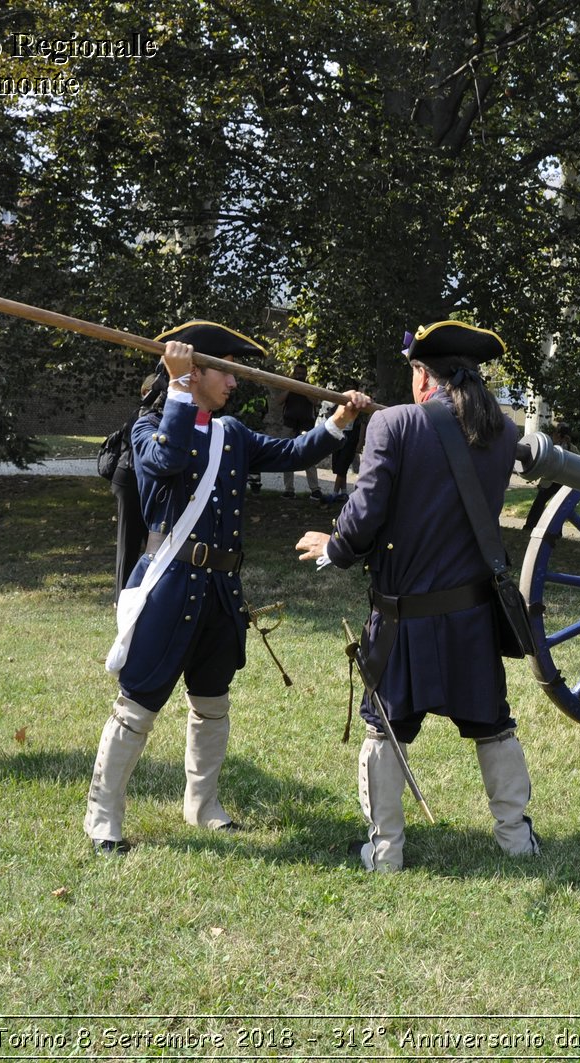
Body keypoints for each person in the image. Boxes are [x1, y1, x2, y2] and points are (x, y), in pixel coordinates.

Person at [84, 322, 370, 853]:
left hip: (220, 590)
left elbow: (293, 454)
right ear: (194, 372)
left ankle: (202, 803)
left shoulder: (231, 433)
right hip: (169, 587)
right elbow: (166, 460)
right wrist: (175, 387)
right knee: (138, 705)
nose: (235, 383)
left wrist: (339, 420)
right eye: (226, 371)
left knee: (212, 702)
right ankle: (103, 816)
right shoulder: (148, 430)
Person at [295, 321, 539, 873]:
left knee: (385, 729)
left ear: (422, 373)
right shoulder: (501, 430)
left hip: (403, 617)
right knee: (492, 725)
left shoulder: (393, 424)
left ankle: (385, 852)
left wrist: (334, 545)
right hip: (473, 616)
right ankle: (516, 841)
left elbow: (364, 515)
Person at [111, 375, 159, 595]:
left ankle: (148, 591)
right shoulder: (142, 415)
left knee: (154, 541)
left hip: (144, 481)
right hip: (129, 480)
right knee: (128, 541)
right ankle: (122, 597)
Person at [278, 363, 322, 499]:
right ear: (293, 373)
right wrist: (290, 388)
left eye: (302, 374)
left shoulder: (310, 386)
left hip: (306, 426)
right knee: (287, 455)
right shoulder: (288, 385)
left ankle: (315, 490)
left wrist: (305, 390)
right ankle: (289, 489)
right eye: (298, 374)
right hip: (289, 425)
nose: (300, 376)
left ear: (306, 374)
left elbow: (316, 402)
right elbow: (279, 401)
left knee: (309, 457)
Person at [521, 422, 571, 531]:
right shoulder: (551, 442)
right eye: (560, 431)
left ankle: (557, 531)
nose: (561, 434)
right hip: (549, 479)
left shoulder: (570, 446)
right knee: (539, 503)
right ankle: (529, 526)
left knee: (559, 506)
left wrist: (569, 444)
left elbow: (576, 457)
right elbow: (545, 454)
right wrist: (555, 441)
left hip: (562, 480)